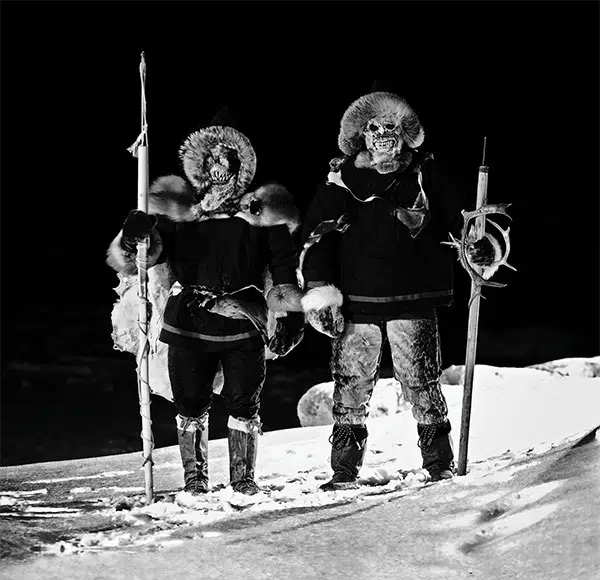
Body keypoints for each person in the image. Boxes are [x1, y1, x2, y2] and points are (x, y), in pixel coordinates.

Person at [298, 87, 496, 490]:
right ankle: (343, 470)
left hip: (413, 298)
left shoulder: (427, 177)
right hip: (357, 303)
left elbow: (462, 224)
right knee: (351, 385)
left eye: (391, 127)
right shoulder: (341, 182)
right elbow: (318, 239)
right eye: (374, 128)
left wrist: (478, 247)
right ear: (362, 136)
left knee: (421, 381)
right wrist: (320, 292)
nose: (383, 135)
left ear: (405, 132)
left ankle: (439, 462)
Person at [107, 112, 304, 496]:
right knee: (190, 404)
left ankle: (243, 480)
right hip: (188, 323)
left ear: (241, 166)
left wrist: (290, 314)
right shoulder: (179, 216)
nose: (219, 167)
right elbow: (146, 259)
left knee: (244, 403)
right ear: (199, 166)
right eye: (211, 159)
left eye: (227, 159)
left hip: (243, 320)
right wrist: (134, 239)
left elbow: (282, 267)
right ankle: (195, 480)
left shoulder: (261, 218)